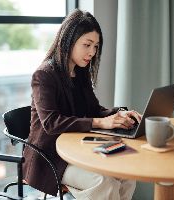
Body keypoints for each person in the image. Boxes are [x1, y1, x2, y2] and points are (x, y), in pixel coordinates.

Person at [22, 9, 142, 200]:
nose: (92, 53)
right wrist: (101, 123)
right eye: (87, 45)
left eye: (95, 46)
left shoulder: (80, 72)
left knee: (126, 174)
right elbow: (52, 123)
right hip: (50, 156)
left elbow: (94, 110)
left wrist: (119, 114)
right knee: (104, 182)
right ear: (68, 40)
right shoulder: (44, 75)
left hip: (78, 147)